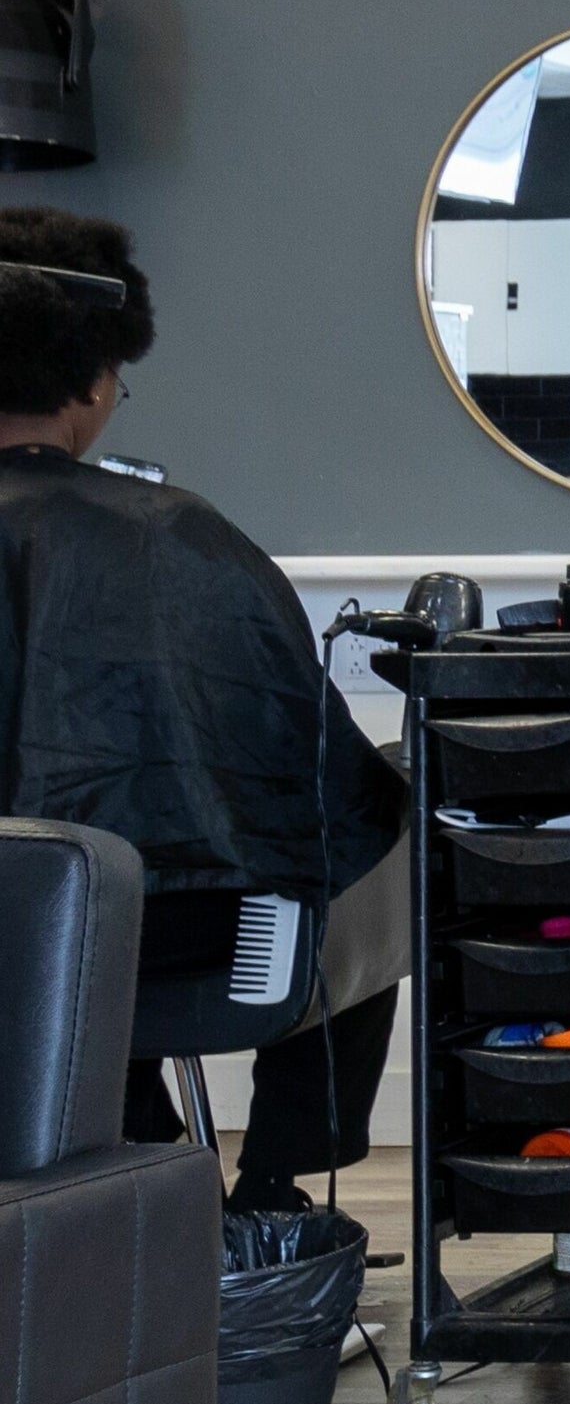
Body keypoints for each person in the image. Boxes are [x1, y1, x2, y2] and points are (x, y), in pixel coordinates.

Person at [0, 208, 405, 1211]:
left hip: (26, 941)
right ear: (94, 387)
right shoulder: (174, 535)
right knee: (384, 828)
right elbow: (312, 780)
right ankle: (271, 1184)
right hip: (189, 945)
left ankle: (144, 1149)